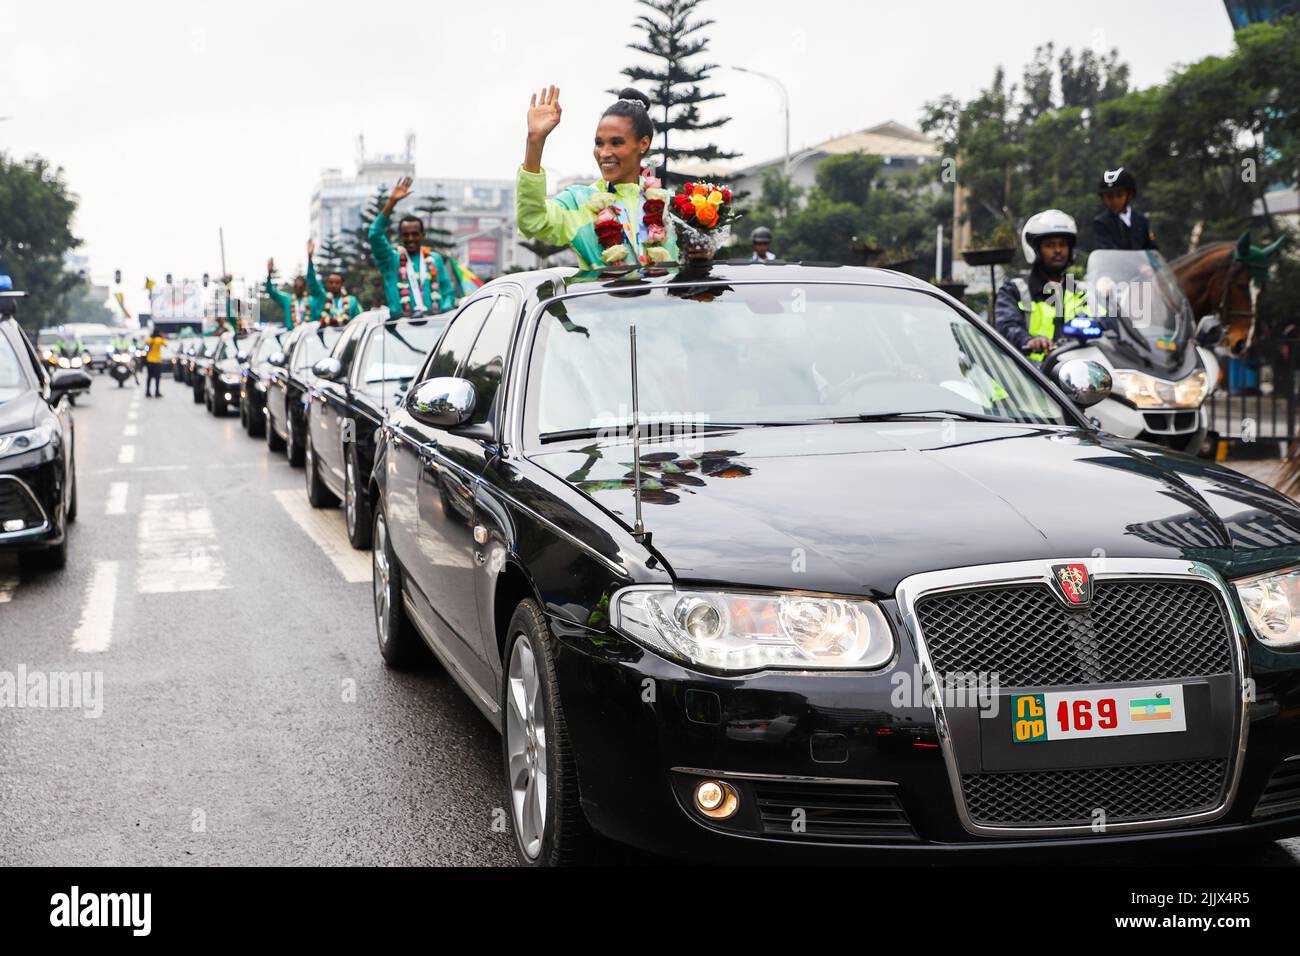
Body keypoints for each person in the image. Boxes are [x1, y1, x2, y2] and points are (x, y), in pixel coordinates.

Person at [517, 85, 710, 269]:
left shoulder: (671, 206)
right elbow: (532, 220)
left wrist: (702, 255)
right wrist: (535, 141)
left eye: (616, 143)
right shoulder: (578, 201)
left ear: (643, 144)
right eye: (599, 143)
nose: (604, 153)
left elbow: (692, 267)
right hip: (598, 303)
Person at [994, 209, 1093, 364]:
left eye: (1063, 244)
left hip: (1075, 377)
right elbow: (1007, 327)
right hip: (1027, 378)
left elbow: (1104, 322)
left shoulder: (1082, 293)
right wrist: (1029, 341)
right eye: (1050, 245)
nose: (1058, 250)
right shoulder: (1015, 291)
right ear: (1035, 250)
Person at [369, 178, 456, 317]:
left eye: (415, 234)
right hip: (401, 330)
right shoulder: (391, 261)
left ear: (423, 235)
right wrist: (392, 202)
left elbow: (448, 294)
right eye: (406, 235)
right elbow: (374, 234)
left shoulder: (435, 260)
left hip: (434, 330)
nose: (410, 239)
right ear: (400, 236)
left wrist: (442, 311)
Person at [1092, 167, 1157, 251]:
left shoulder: (1141, 220)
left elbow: (1152, 249)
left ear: (1129, 195)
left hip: (1142, 264)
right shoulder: (1101, 222)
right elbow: (1107, 249)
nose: (1115, 201)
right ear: (1103, 198)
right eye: (1109, 197)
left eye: (1119, 195)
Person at [306, 242, 361, 325]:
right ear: (327, 284)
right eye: (331, 282)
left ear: (342, 284)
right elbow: (312, 283)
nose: (334, 285)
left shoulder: (352, 301)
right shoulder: (323, 299)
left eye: (337, 283)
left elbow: (359, 322)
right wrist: (310, 258)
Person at [265, 247, 313, 329]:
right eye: (296, 287)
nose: (298, 289)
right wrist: (269, 273)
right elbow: (271, 291)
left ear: (304, 287)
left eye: (300, 287)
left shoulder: (311, 301)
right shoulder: (287, 300)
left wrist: (310, 257)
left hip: (306, 336)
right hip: (290, 336)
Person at [144, 327, 166, 397]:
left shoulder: (149, 340)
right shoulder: (159, 340)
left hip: (149, 361)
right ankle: (157, 392)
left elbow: (146, 346)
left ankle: (148, 392)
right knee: (157, 377)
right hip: (157, 361)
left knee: (149, 377)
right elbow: (166, 344)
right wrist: (162, 337)